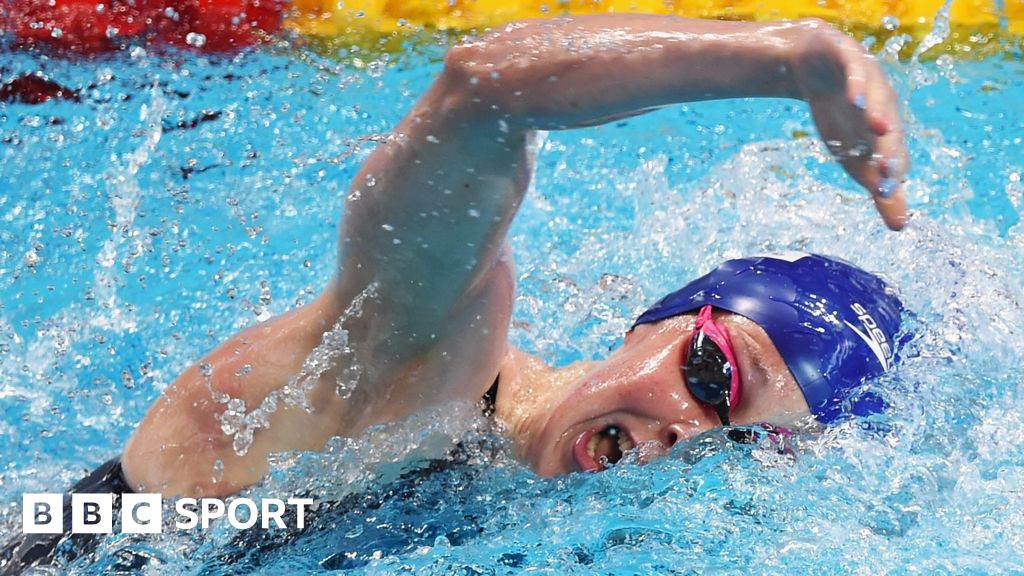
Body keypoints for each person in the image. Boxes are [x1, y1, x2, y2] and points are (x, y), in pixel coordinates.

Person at [4, 15, 912, 569]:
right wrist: (785, 60)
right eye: (715, 377)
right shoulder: (428, 367)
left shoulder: (565, 512)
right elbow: (482, 94)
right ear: (658, 321)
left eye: (748, 452)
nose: (691, 438)